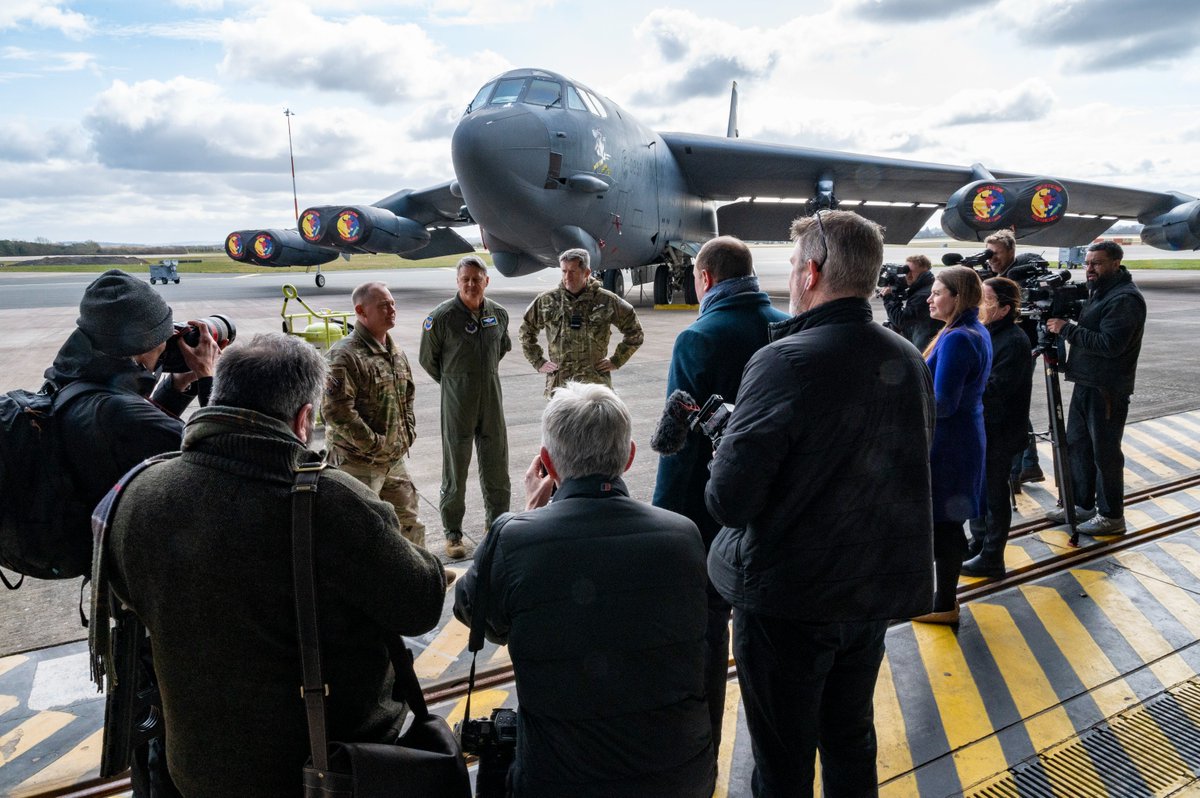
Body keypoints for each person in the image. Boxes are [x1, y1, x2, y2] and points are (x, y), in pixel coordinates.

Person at [105, 333, 447, 797]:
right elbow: (420, 604)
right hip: (319, 773)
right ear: (304, 418)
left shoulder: (139, 493)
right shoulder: (330, 503)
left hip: (197, 769)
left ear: (219, 388)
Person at [705, 210, 935, 797]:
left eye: (792, 267)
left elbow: (730, 500)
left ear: (811, 271)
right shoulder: (907, 356)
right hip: (869, 595)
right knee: (850, 738)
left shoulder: (784, 360)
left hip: (792, 601)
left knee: (782, 761)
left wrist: (725, 444)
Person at [454, 382, 715, 798]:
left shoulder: (515, 540)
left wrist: (526, 517)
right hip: (681, 777)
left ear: (547, 465)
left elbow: (474, 613)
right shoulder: (683, 536)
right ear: (629, 457)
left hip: (558, 783)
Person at [651, 235, 787, 753]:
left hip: (711, 516)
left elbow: (678, 445)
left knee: (709, 630)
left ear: (704, 279)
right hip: (772, 512)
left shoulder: (699, 338)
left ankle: (705, 747)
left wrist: (669, 521)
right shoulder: (783, 323)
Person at [47, 269, 218, 517]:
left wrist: (176, 386)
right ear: (144, 343)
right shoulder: (122, 415)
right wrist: (207, 377)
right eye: (164, 336)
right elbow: (221, 457)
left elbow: (135, 428)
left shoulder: (70, 379)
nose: (166, 345)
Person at [1045, 241, 1146, 536]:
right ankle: (1082, 504)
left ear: (1116, 263)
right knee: (1079, 446)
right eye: (1088, 263)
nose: (1089, 269)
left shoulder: (1125, 299)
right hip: (1086, 382)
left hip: (1107, 388)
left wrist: (1066, 329)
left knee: (1105, 453)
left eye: (1097, 263)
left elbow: (1111, 344)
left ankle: (1112, 516)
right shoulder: (1101, 291)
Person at [419, 256, 512, 560]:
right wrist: (454, 381)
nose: (471, 284)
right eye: (465, 279)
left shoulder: (498, 314)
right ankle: (453, 534)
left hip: (491, 400)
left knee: (496, 466)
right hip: (457, 403)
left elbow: (502, 348)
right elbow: (428, 360)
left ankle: (496, 526)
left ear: (487, 281)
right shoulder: (442, 317)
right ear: (457, 282)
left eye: (477, 278)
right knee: (455, 470)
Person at [915, 265, 992, 624]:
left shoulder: (959, 337)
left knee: (944, 524)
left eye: (937, 292)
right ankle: (943, 598)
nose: (930, 298)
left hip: (949, 445)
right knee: (947, 522)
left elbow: (943, 402)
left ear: (957, 297)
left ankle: (943, 603)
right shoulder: (971, 330)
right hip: (961, 439)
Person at [322, 281, 426, 547]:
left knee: (409, 523)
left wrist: (407, 433)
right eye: (383, 305)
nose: (391, 309)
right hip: (357, 463)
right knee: (360, 534)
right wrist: (375, 444)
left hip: (393, 459)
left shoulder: (395, 351)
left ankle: (419, 580)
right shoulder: (344, 355)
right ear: (361, 311)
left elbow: (407, 395)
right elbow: (336, 411)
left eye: (392, 303)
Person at [962, 277, 1035, 578]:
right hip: (984, 426)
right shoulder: (987, 332)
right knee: (979, 491)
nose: (979, 305)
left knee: (994, 494)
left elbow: (996, 388)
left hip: (1000, 430)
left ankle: (993, 555)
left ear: (1004, 309)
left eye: (986, 300)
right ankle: (979, 542)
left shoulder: (1013, 340)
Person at [519, 248, 644, 397]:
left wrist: (617, 360)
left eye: (572, 271)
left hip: (595, 387)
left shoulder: (606, 301)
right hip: (560, 388)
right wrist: (538, 362)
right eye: (564, 271)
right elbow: (526, 331)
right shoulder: (547, 301)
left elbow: (635, 332)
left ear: (586, 272)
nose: (567, 277)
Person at [985, 229, 1046, 484]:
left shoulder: (1019, 278)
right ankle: (1028, 465)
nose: (991, 258)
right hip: (1008, 345)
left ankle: (1020, 467)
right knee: (1014, 406)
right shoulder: (997, 275)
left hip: (1019, 347)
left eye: (996, 253)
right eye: (988, 253)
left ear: (1011, 250)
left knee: (1011, 405)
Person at [880, 253, 943, 349]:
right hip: (923, 340)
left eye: (912, 272)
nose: (908, 276)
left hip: (925, 346)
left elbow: (901, 321)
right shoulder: (926, 287)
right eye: (906, 271)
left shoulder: (923, 295)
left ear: (924, 270)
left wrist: (889, 298)